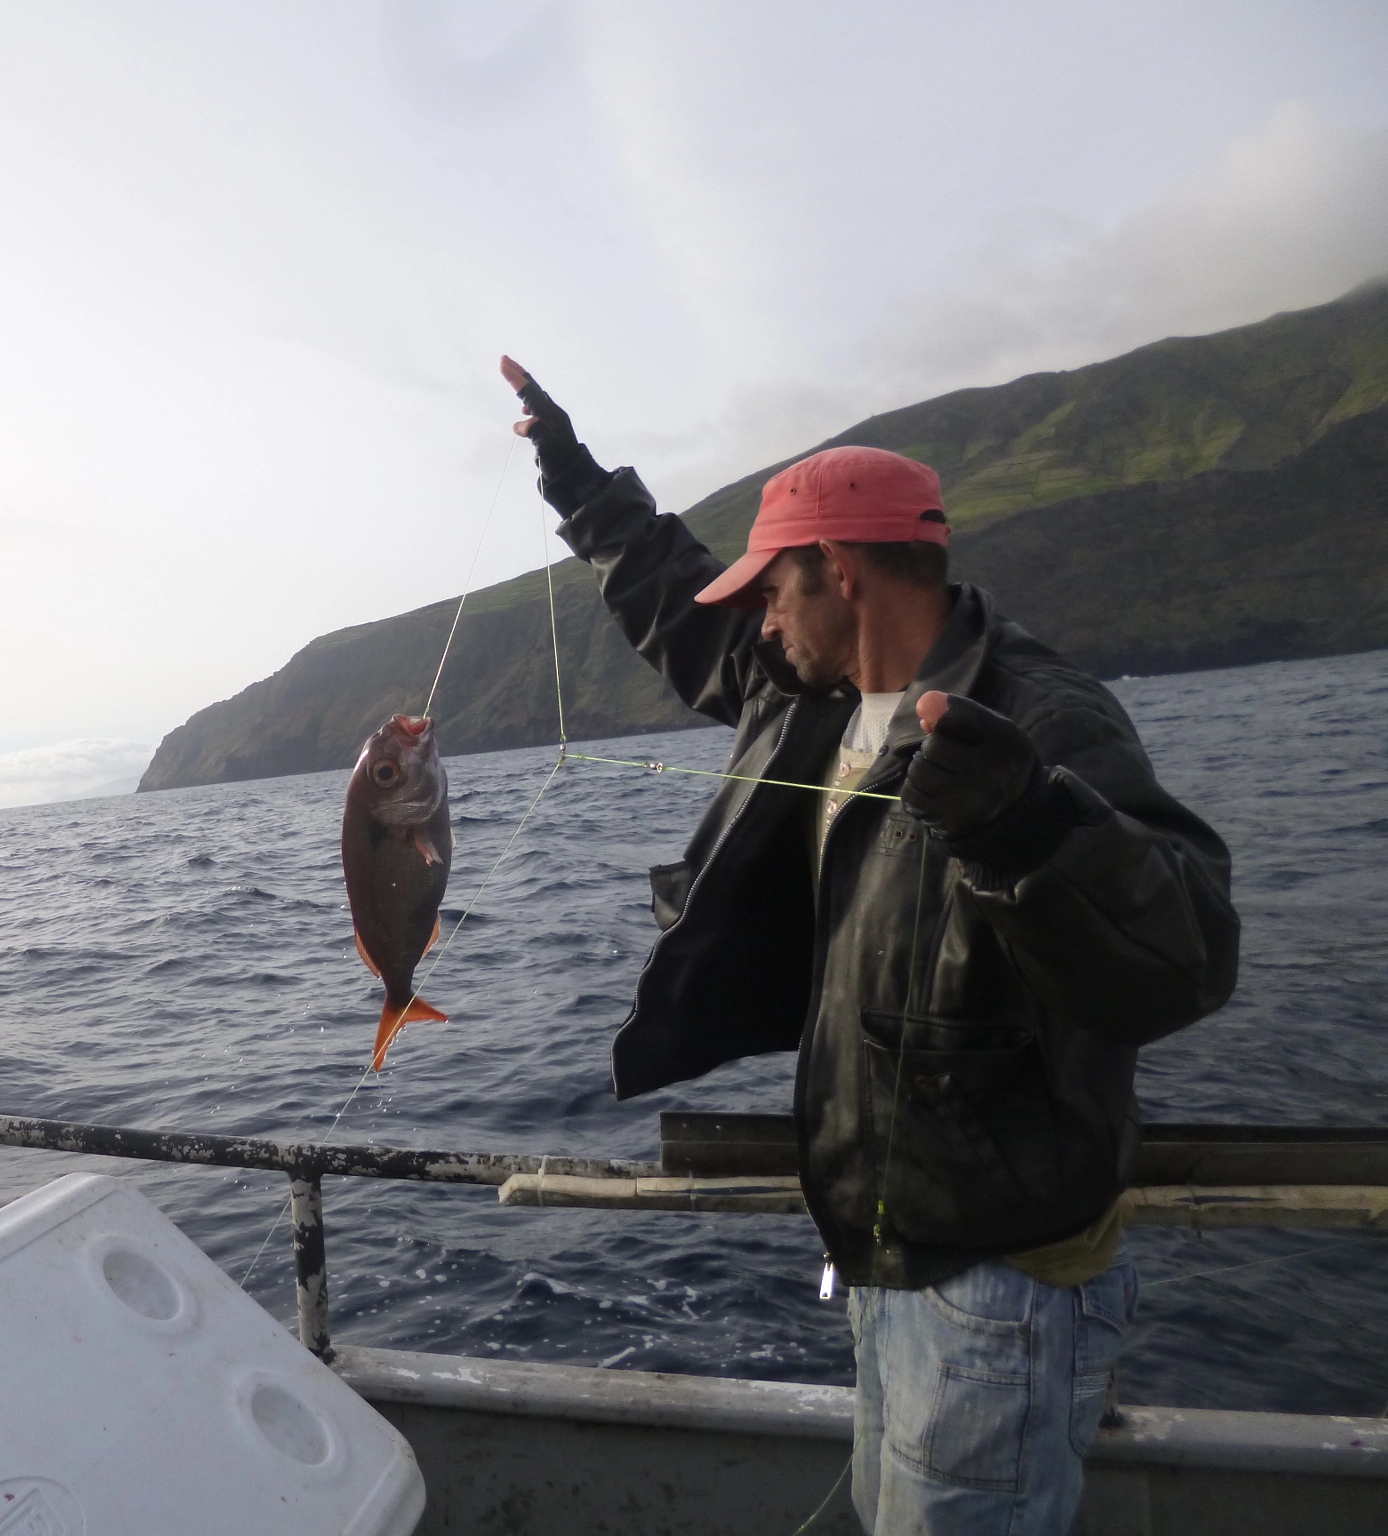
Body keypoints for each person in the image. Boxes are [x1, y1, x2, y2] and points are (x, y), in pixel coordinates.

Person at [500, 357, 1239, 1536]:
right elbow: (674, 594)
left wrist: (1026, 826)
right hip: (885, 1258)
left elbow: (1186, 957)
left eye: (775, 592)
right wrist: (577, 481)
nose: (758, 616)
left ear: (836, 573)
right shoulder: (812, 688)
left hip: (995, 1291)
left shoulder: (1043, 724)